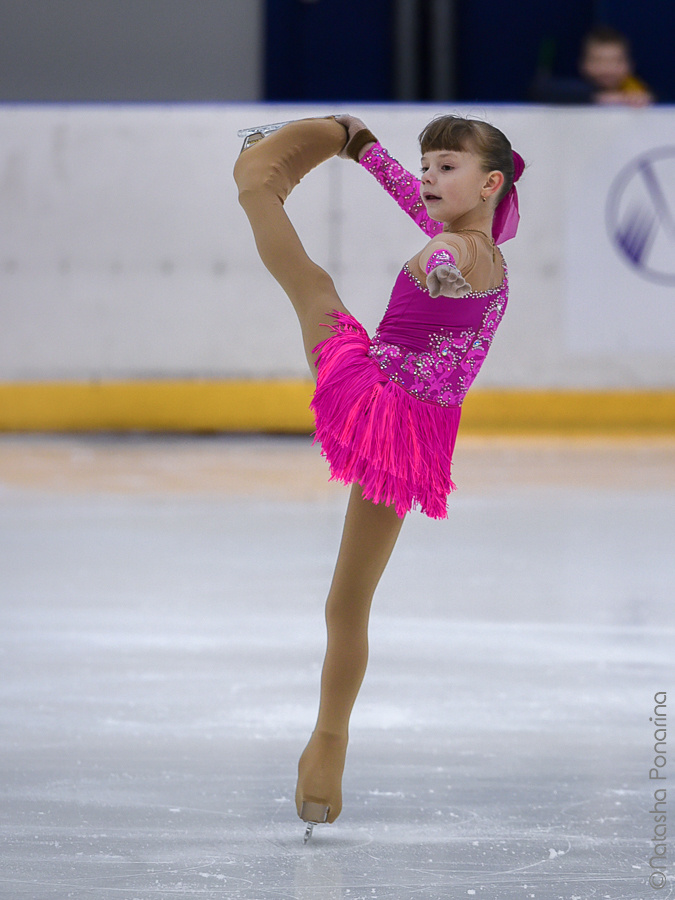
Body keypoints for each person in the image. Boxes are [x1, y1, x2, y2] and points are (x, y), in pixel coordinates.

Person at [233, 113, 524, 839]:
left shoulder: (453, 252)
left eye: (445, 166)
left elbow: (445, 256)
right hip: (419, 435)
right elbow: (429, 215)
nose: (427, 177)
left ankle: (254, 187)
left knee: (309, 283)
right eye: (425, 165)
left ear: (489, 182)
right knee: (347, 604)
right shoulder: (487, 247)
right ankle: (327, 749)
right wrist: (365, 152)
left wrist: (362, 154)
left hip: (372, 396)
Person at [530, 25, 653, 106]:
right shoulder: (574, 89)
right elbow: (541, 90)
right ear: (583, 64)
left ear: (630, 65)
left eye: (616, 61)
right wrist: (598, 97)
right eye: (598, 61)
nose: (607, 69)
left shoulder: (635, 90)